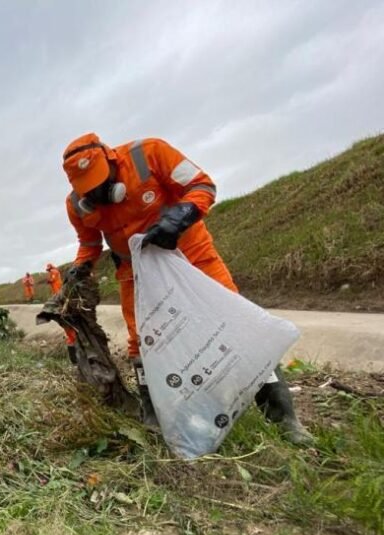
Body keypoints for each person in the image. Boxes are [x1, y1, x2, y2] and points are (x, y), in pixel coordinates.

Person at [61, 133, 311, 443]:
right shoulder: (76, 206)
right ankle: (156, 419)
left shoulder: (149, 153)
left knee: (237, 327)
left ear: (111, 161)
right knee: (143, 342)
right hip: (136, 274)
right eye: (90, 189)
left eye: (101, 183)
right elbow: (89, 243)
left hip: (191, 255)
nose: (98, 192)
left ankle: (285, 420)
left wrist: (181, 216)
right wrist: (80, 266)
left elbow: (202, 185)